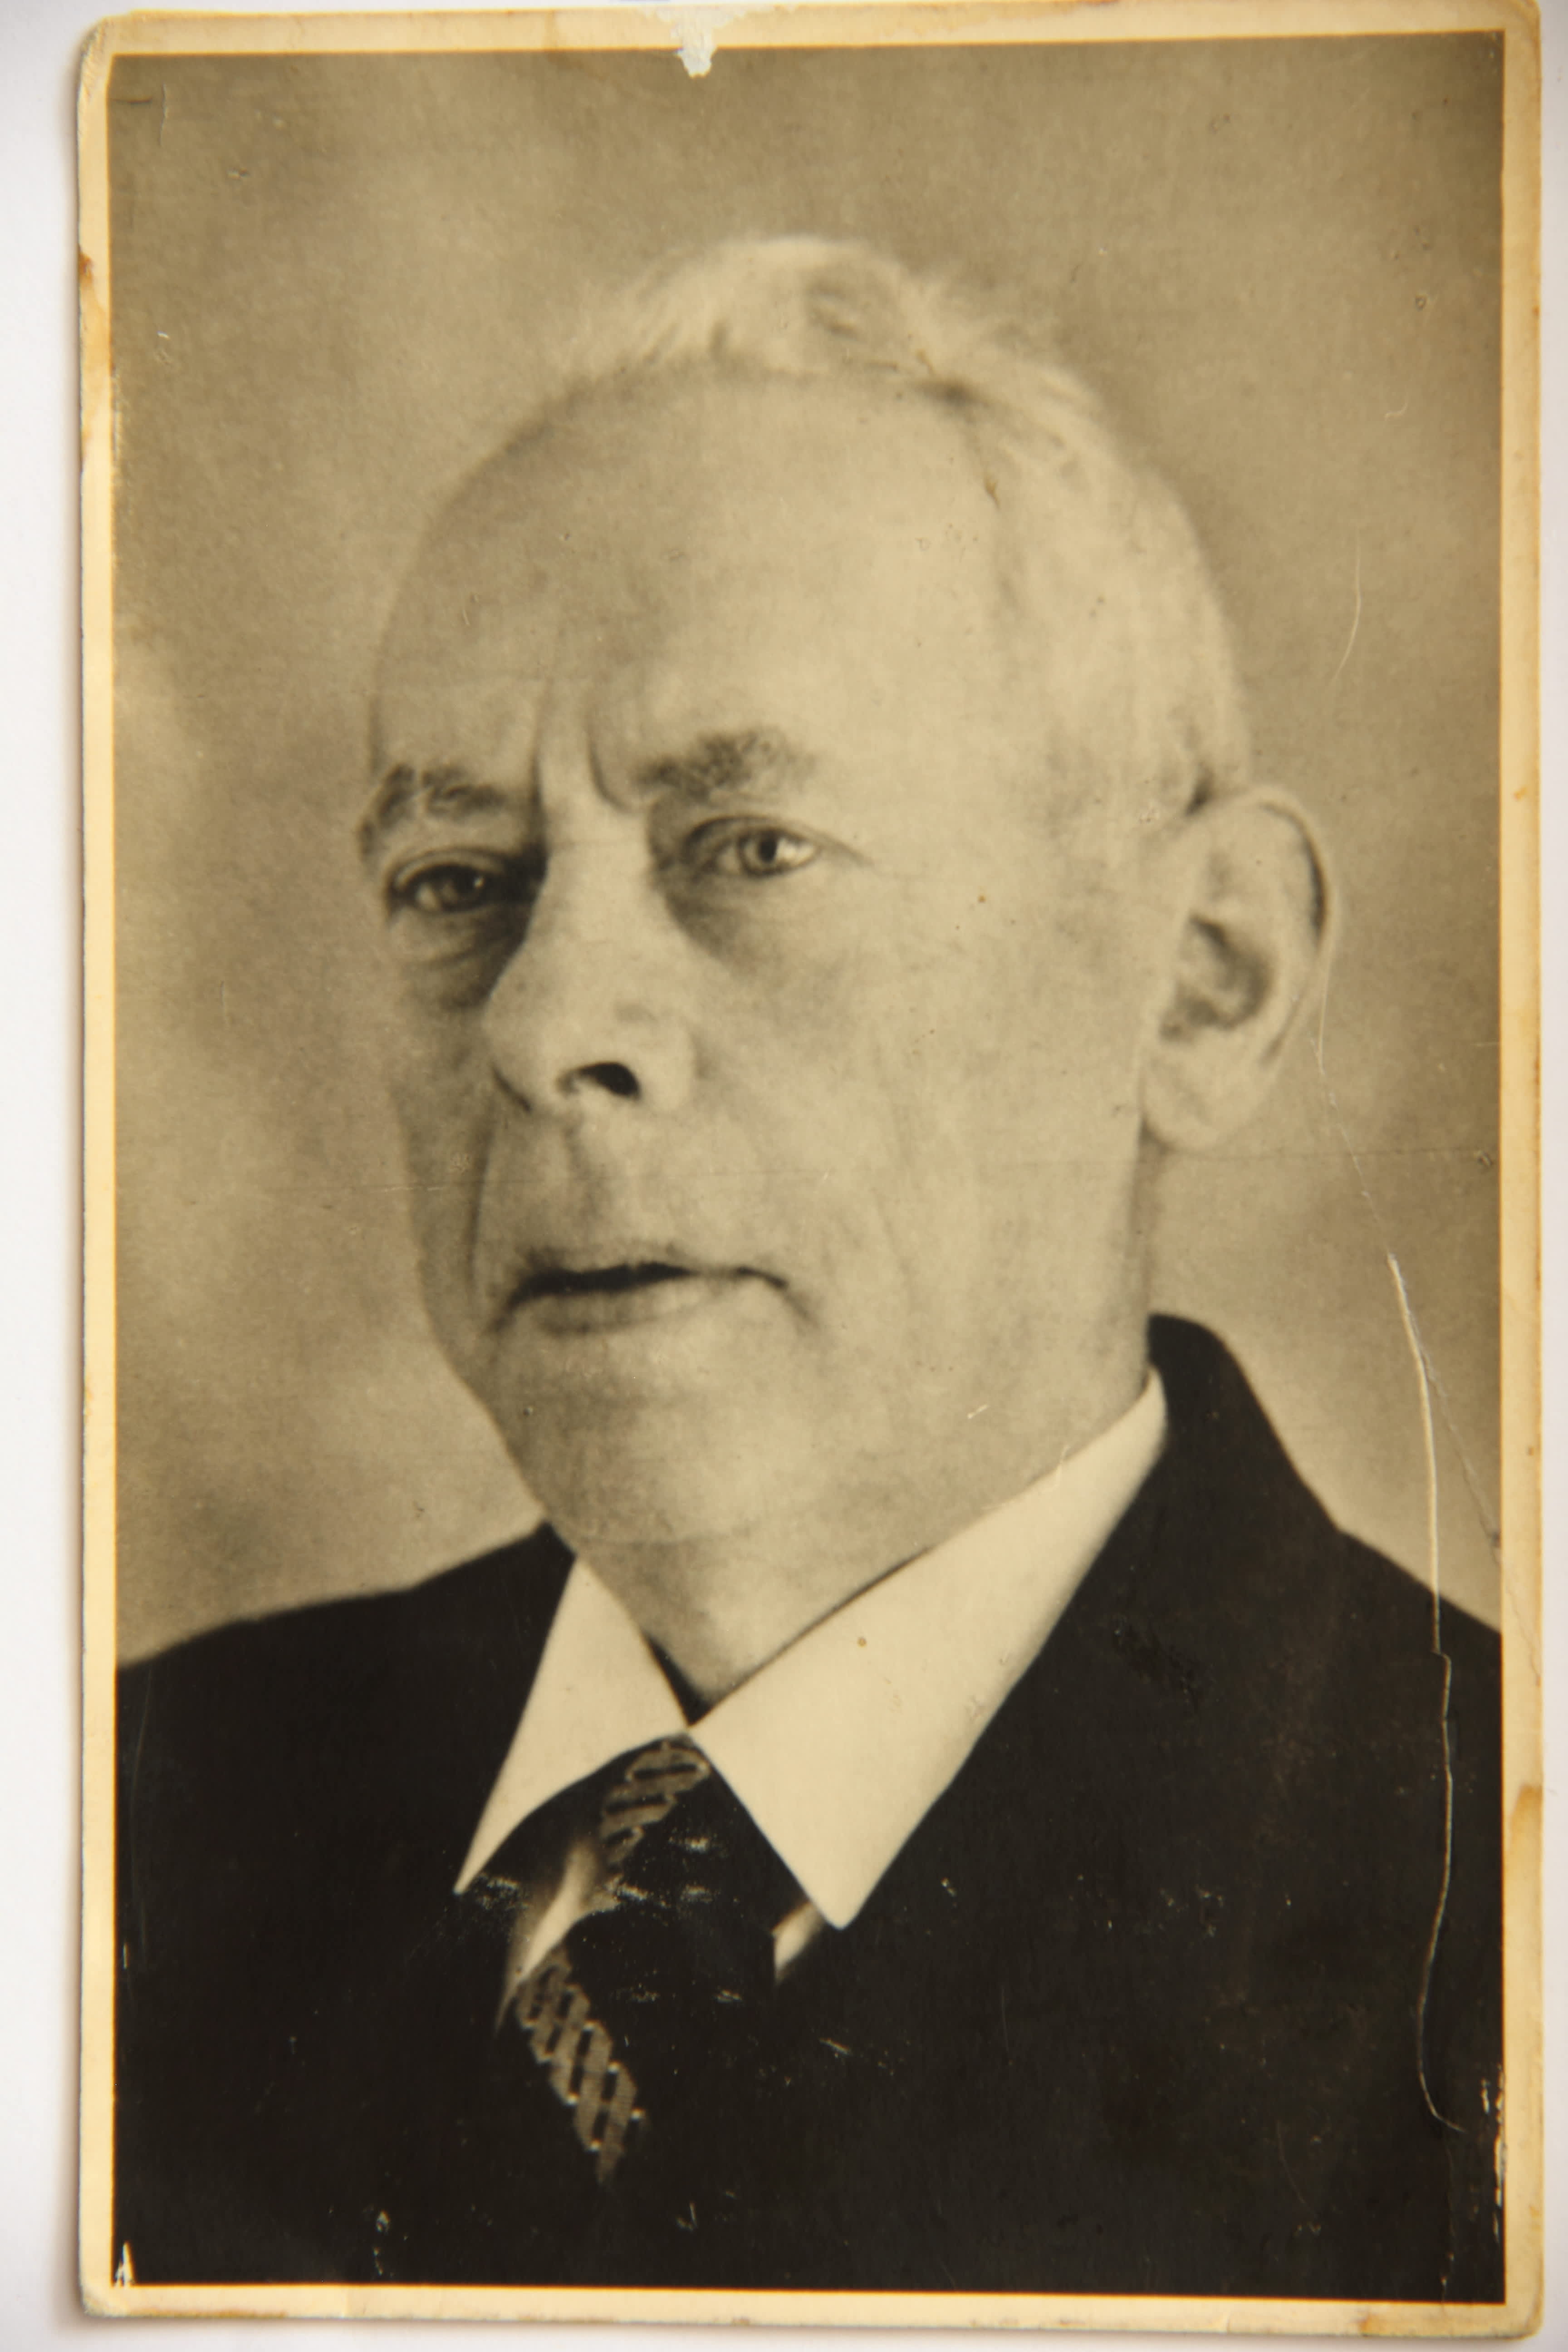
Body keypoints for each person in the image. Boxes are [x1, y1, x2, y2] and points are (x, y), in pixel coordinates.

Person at [113, 238, 1502, 2301]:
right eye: (456, 882)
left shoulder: (1504, 1927)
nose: (539, 1021)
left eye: (746, 849)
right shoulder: (127, 1825)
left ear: (1206, 984)